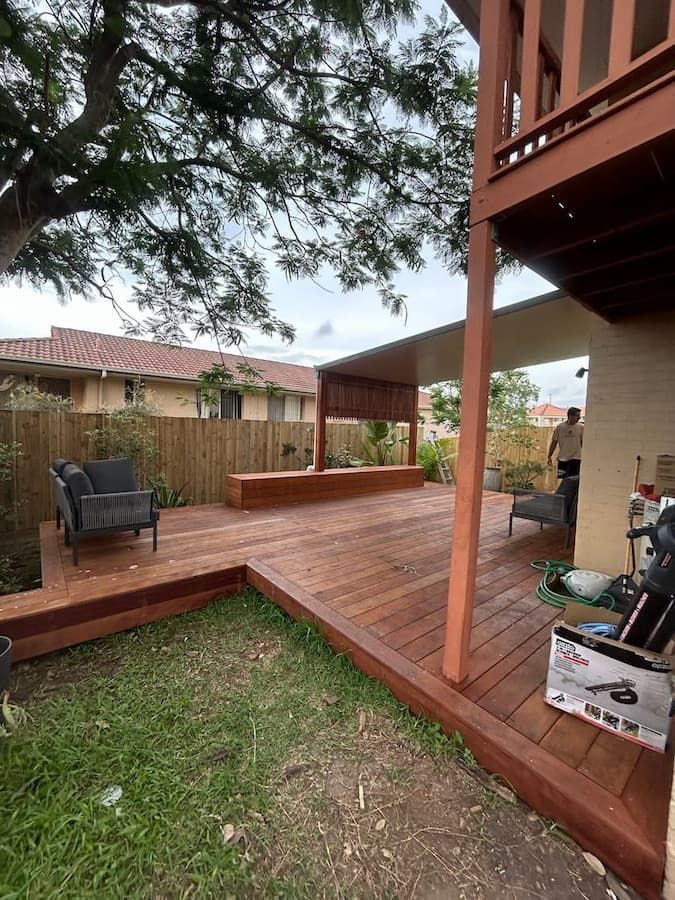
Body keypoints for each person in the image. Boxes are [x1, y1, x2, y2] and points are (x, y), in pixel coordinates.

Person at [547, 407, 583, 478]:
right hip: (562, 458)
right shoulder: (560, 427)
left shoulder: (581, 427)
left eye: (579, 416)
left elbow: (583, 442)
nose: (579, 418)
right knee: (563, 479)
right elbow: (554, 442)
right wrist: (549, 456)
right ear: (570, 416)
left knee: (573, 479)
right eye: (577, 416)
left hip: (576, 458)